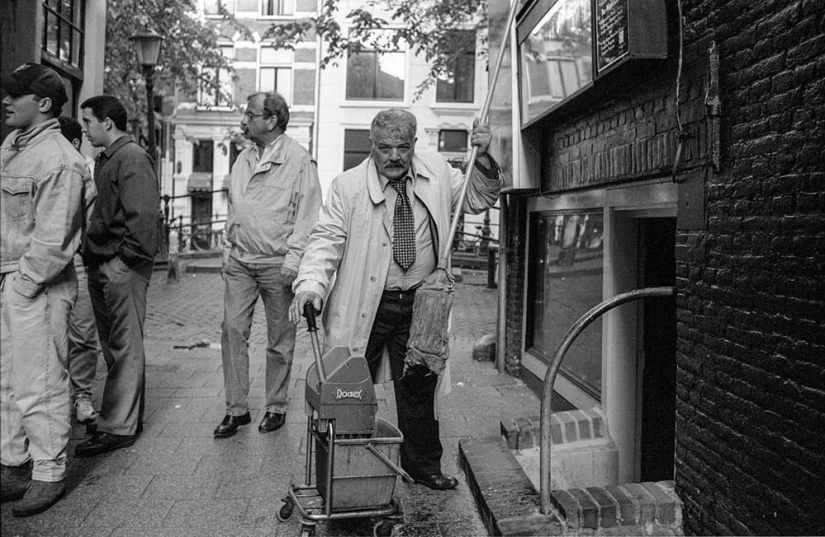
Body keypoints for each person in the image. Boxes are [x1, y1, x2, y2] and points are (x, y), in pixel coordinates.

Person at [289, 109, 501, 490]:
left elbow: (479, 196)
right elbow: (325, 240)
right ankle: (347, 465)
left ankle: (422, 467)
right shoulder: (347, 186)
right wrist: (311, 286)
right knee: (351, 387)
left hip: (421, 304)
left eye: (403, 147)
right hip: (366, 304)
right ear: (371, 145)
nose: (394, 156)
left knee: (419, 385)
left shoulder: (436, 171)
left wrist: (482, 156)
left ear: (415, 145)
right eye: (384, 147)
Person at [0, 63, 86, 516]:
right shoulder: (13, 146)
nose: (6, 100)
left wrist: (23, 284)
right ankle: (14, 464)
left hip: (36, 284)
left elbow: (54, 239)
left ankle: (48, 472)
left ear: (45, 104)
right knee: (8, 381)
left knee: (41, 384)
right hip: (13, 278)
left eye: (16, 95)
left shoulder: (59, 159)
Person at [213, 91, 322, 438]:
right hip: (241, 261)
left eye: (250, 115)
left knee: (280, 339)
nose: (244, 121)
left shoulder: (300, 161)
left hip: (278, 264)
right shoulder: (244, 158)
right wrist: (229, 245)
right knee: (232, 331)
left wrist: (294, 260)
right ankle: (237, 409)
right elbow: (236, 205)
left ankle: (276, 406)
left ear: (271, 121)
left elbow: (308, 217)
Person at [74, 95, 159, 457]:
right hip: (106, 262)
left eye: (89, 122)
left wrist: (123, 261)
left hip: (119, 265)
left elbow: (142, 216)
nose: (85, 129)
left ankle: (118, 427)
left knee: (124, 347)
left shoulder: (132, 158)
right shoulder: (108, 158)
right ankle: (120, 418)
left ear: (107, 123)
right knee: (116, 347)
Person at [57, 116, 100, 425]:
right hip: (46, 260)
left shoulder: (86, 175)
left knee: (83, 333)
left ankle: (81, 396)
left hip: (78, 262)